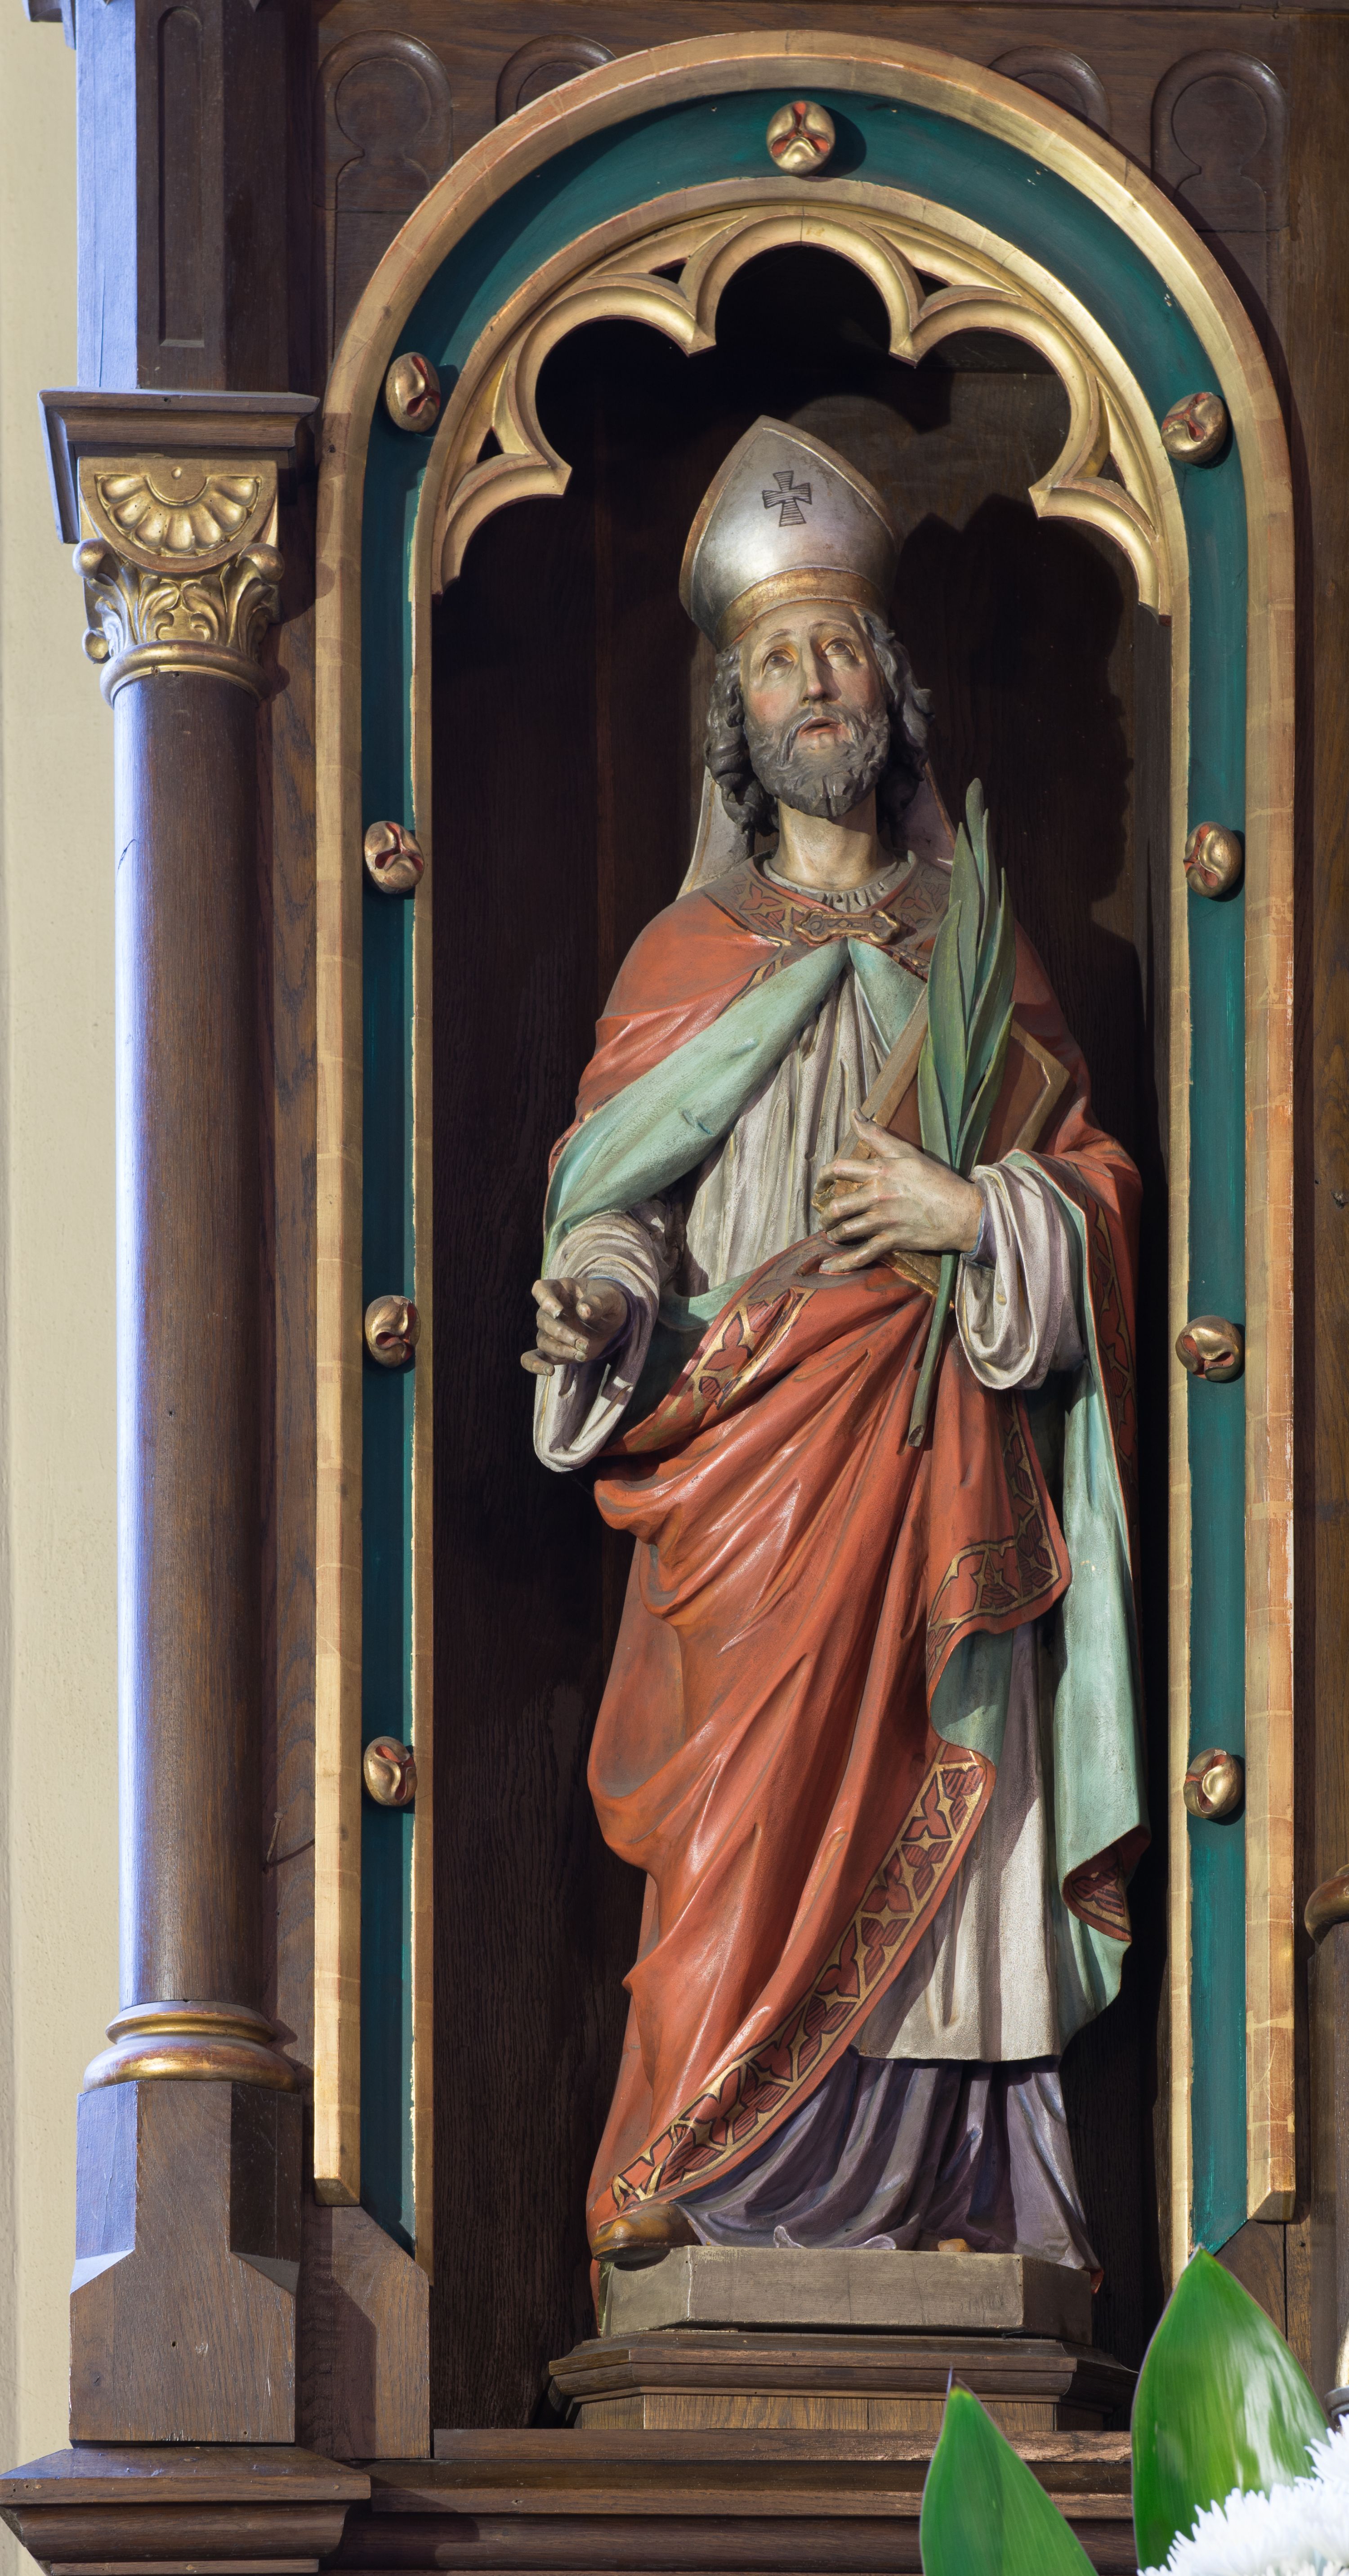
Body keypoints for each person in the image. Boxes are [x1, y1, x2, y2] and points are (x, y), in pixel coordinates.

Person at [523, 418, 1146, 2275]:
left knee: (952, 1808)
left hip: (939, 1459)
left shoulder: (981, 945)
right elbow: (618, 1197)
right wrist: (600, 1300)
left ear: (891, 687)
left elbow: (1095, 1188)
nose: (815, 681)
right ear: (738, 713)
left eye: (841, 648)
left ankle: (963, 2192)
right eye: (780, 657)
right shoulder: (683, 956)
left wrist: (980, 1217)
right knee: (744, 1825)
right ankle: (722, 2159)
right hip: (755, 1470)